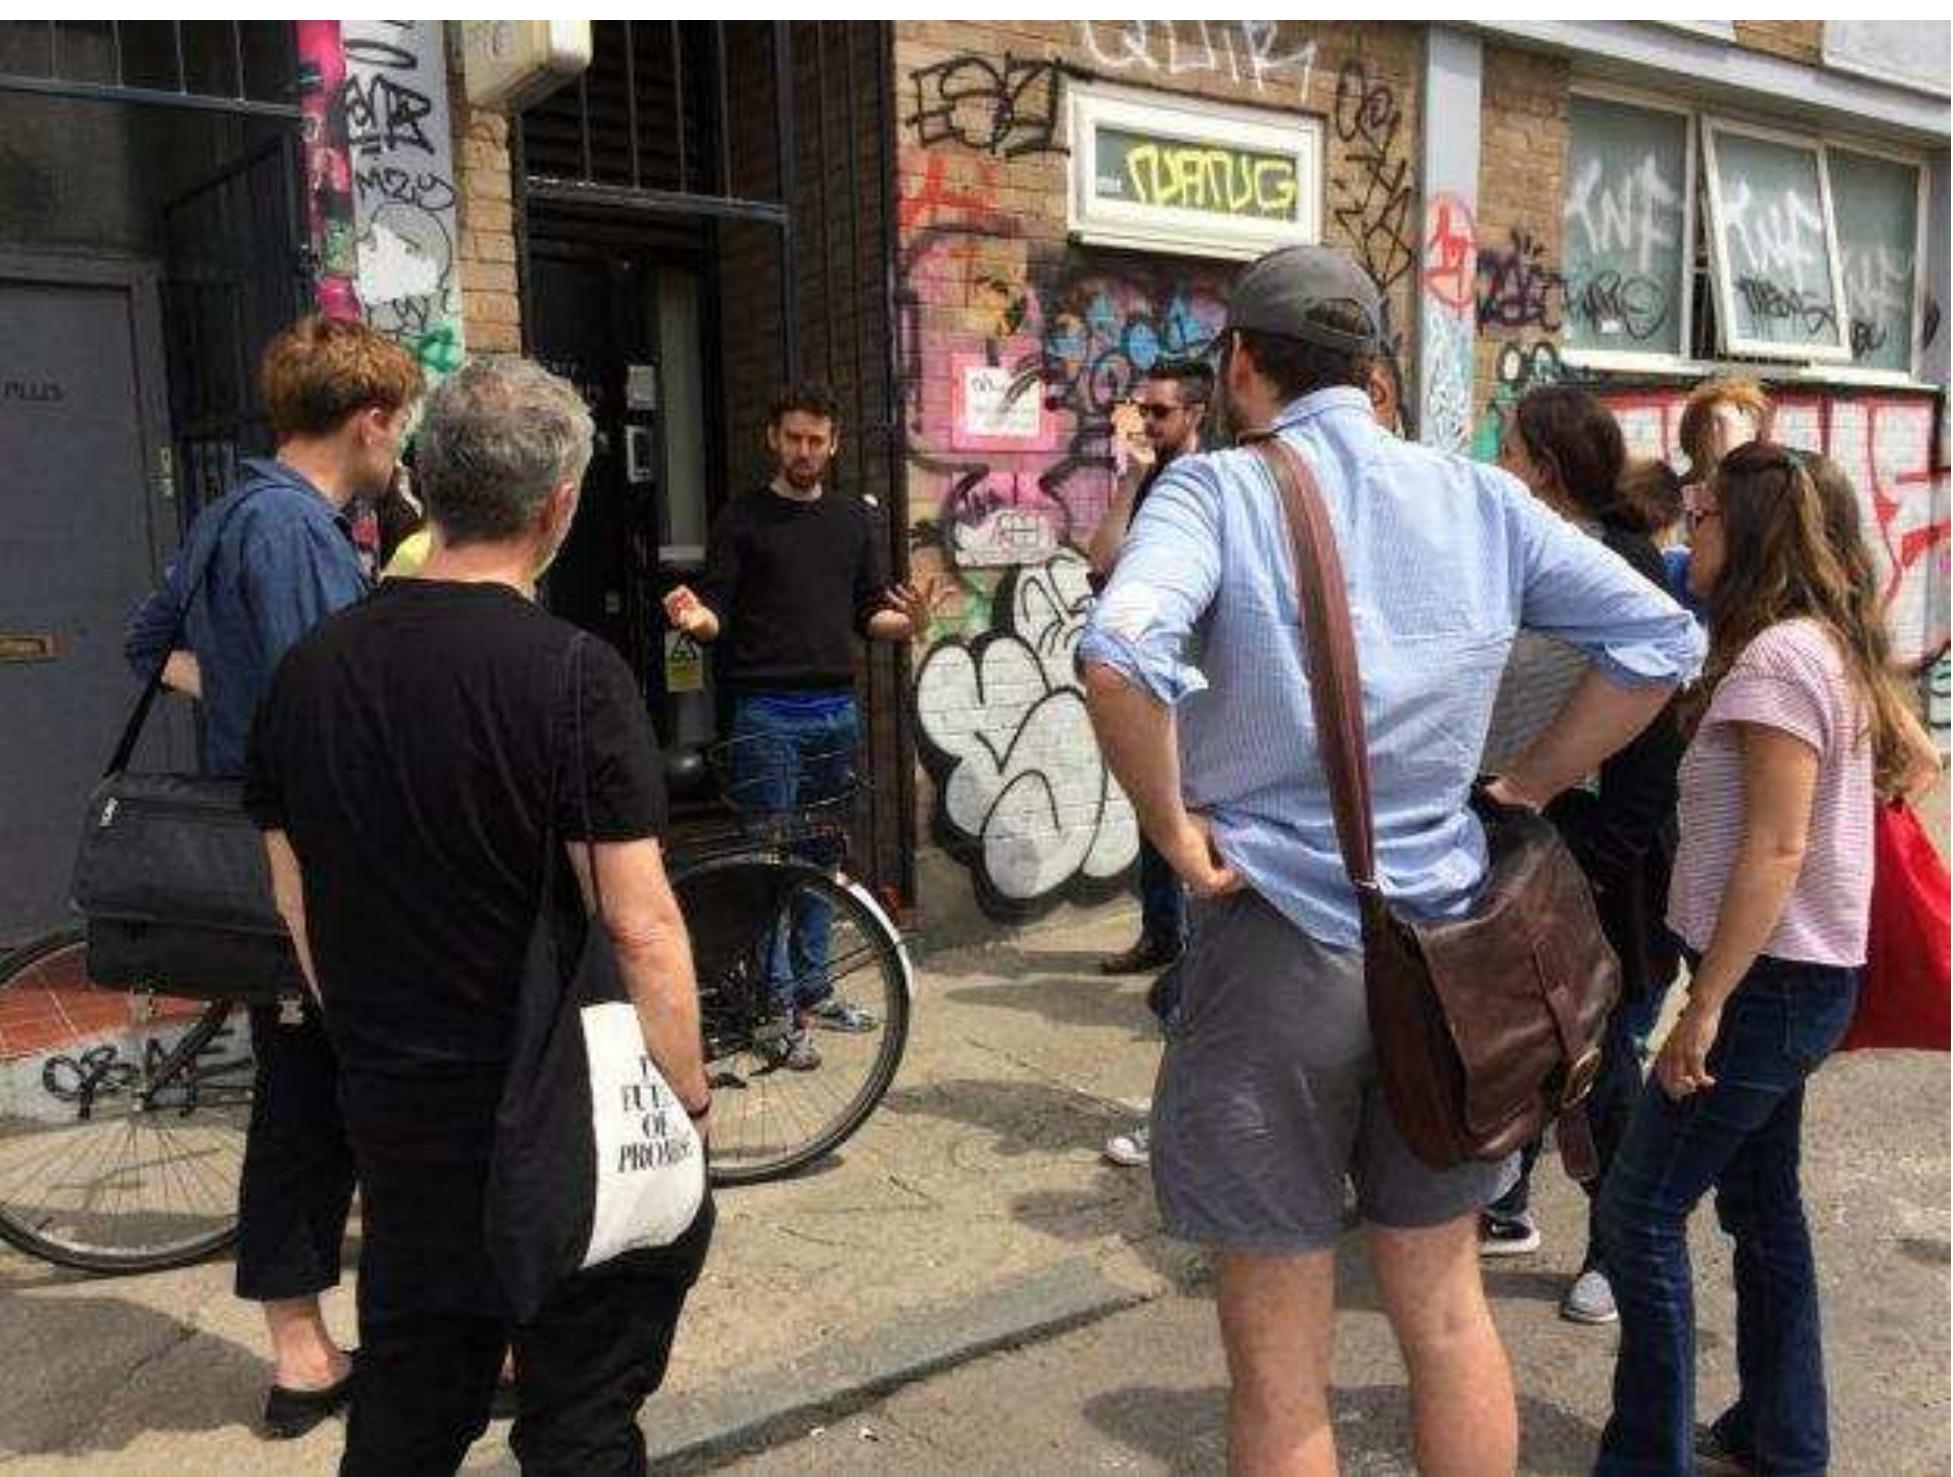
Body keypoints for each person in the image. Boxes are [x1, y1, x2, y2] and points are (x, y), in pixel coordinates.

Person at [1078, 243, 1702, 1474]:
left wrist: (1172, 833)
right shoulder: (1479, 496)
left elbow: (1121, 653)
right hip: (1447, 950)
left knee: (1280, 1368)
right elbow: (1661, 636)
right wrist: (1527, 784)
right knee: (1446, 1307)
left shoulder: (1216, 491)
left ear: (1243, 362)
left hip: (1273, 950)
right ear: (1370, 365)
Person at [245, 357, 714, 1474]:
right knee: (582, 1405)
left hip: (399, 1109)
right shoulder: (573, 676)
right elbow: (641, 923)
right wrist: (688, 1096)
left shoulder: (308, 673)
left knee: (409, 1395)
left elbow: (293, 894)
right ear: (557, 507)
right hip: (557, 1110)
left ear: (423, 480)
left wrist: (364, 1040)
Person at [1595, 443, 1938, 1477]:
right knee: (1759, 1207)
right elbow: (1915, 764)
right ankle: (1783, 1438)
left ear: (1747, 535)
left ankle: (1647, 1457)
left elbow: (1776, 847)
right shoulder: (1822, 646)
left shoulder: (1781, 660)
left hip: (1765, 983)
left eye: (1700, 515)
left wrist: (1704, 1004)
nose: (1685, 531)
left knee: (1639, 1211)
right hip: (1794, 978)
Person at [125, 315, 422, 1438]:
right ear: (369, 419)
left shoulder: (224, 514)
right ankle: (320, 1354)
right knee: (326, 1102)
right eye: (398, 426)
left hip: (259, 838)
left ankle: (310, 1349)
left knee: (303, 1093)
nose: (398, 450)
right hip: (317, 861)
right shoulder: (298, 531)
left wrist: (233, 703)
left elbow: (148, 643)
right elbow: (330, 716)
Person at [1477, 386, 1688, 1328]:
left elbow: (1647, 760)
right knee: (1527, 1042)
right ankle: (1509, 1200)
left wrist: (1592, 872)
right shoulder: (1531, 555)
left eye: (1508, 446)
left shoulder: (1618, 570)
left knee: (1599, 1060)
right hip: (1527, 847)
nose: (1496, 460)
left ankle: (1620, 1243)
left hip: (1599, 868)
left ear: (1545, 468)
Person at [662, 382, 933, 1070]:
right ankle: (774, 1007)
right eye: (794, 438)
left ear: (833, 443)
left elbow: (869, 612)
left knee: (822, 859)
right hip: (767, 715)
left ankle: (816, 988)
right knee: (768, 866)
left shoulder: (849, 521)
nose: (805, 450)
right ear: (772, 440)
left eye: (816, 440)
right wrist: (698, 622)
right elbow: (717, 607)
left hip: (834, 712)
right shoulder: (741, 519)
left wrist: (910, 625)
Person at [1089, 362, 1210, 993]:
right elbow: (1101, 560)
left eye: (1161, 412)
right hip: (1151, 675)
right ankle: (1163, 934)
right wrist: (1131, 479)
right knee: (1154, 807)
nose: (1148, 423)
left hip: (1198, 678)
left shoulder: (1212, 481)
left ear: (1195, 414)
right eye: (1144, 411)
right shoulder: (1149, 481)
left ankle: (1197, 954)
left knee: (1194, 814)